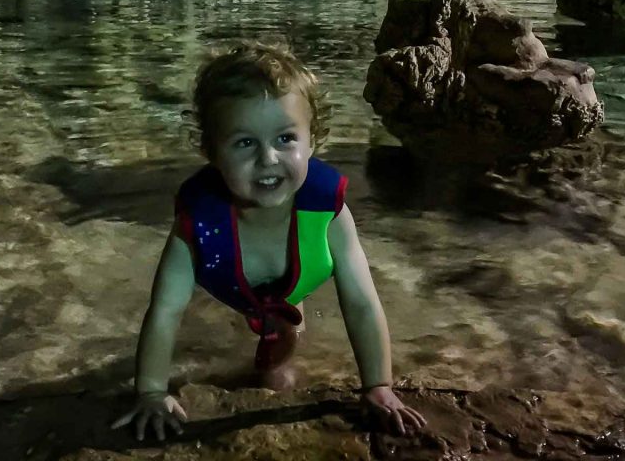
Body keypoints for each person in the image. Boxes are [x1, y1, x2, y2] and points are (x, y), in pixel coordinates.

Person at [111, 42, 427, 441]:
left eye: (285, 139)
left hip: (299, 272)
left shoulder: (327, 213)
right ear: (210, 151)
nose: (268, 159)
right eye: (244, 143)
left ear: (313, 140)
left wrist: (378, 386)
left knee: (278, 359)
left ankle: (279, 341)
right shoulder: (197, 225)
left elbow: (362, 303)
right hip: (228, 273)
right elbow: (165, 311)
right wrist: (152, 392)